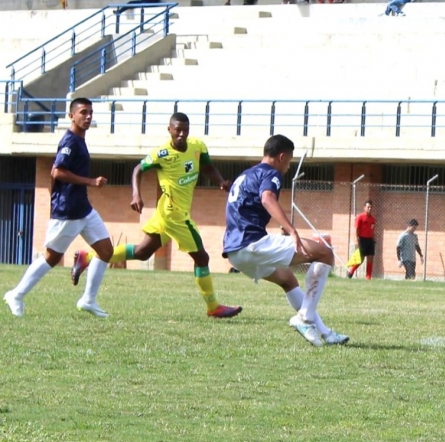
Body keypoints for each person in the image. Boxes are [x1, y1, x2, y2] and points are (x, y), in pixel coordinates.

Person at [71, 112, 241, 319]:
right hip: (173, 214)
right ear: (169, 130)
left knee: (142, 252)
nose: (181, 134)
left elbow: (208, 167)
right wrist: (136, 193)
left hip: (167, 213)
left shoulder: (197, 146)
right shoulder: (162, 154)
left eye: (185, 130)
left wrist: (221, 182)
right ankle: (213, 306)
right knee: (202, 257)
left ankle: (86, 256)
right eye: (177, 130)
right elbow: (137, 169)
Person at [223, 134, 348, 347]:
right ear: (282, 156)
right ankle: (304, 318)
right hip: (252, 244)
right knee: (324, 253)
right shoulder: (271, 173)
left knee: (288, 280)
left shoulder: (246, 174)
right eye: (289, 161)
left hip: (234, 252)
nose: (288, 166)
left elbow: (251, 204)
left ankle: (325, 333)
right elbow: (267, 198)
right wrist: (291, 230)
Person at [4, 97, 113, 318]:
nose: (88, 116)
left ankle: (88, 300)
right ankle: (16, 294)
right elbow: (57, 171)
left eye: (90, 112)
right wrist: (90, 182)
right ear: (71, 116)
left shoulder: (80, 140)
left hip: (83, 208)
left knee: (106, 250)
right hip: (68, 211)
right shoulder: (70, 141)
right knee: (51, 258)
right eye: (83, 112)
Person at [347, 200, 376, 280]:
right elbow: (356, 229)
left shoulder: (373, 219)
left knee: (370, 257)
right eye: (368, 207)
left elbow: (372, 230)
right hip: (362, 239)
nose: (369, 209)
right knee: (361, 259)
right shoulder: (360, 217)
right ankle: (351, 272)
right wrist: (357, 239)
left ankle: (368, 277)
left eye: (371, 207)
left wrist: (374, 239)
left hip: (370, 240)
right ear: (364, 208)